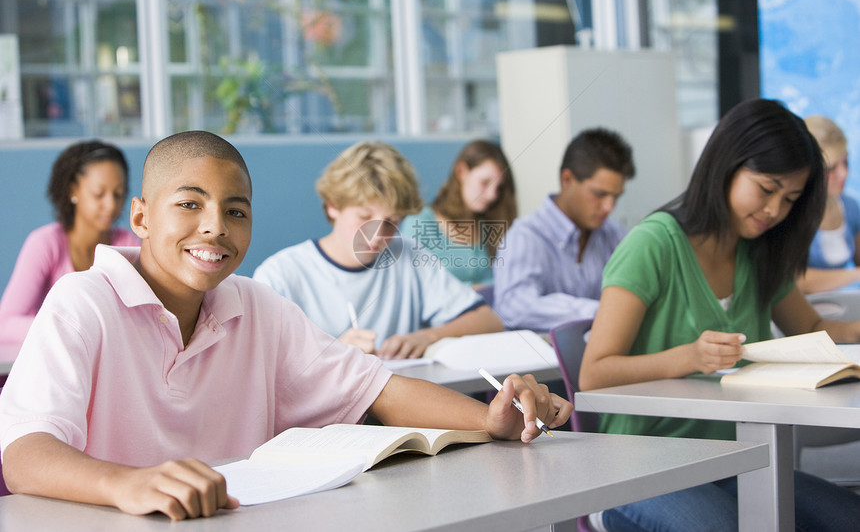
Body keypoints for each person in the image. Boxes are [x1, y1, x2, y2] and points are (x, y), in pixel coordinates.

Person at [0, 131, 572, 521]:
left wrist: (488, 417)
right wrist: (126, 484)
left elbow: (382, 391)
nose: (215, 227)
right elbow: (24, 455)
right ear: (142, 216)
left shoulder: (257, 306)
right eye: (190, 205)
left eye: (236, 210)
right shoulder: (82, 301)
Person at [579, 99, 860, 532]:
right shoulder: (653, 245)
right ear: (726, 165)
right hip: (638, 462)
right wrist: (688, 358)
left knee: (847, 517)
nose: (774, 211)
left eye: (790, 199)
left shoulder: (761, 249)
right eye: (766, 190)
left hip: (734, 456)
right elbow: (593, 374)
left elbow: (813, 330)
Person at [253, 140, 505, 360]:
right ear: (333, 206)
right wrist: (330, 351)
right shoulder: (281, 274)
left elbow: (489, 321)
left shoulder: (408, 254)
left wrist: (428, 336)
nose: (377, 236)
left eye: (392, 221)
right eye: (364, 216)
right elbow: (257, 360)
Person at [0, 140, 139, 349]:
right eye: (98, 194)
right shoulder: (46, 243)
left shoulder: (127, 244)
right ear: (73, 190)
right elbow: (6, 323)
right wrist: (74, 329)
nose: (111, 204)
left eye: (118, 194)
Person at [493, 128, 635, 331]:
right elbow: (513, 307)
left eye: (616, 197)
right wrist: (603, 312)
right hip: (546, 359)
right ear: (567, 180)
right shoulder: (526, 235)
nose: (608, 207)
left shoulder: (615, 235)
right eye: (600, 194)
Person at [402, 140, 516, 288]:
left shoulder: (488, 224)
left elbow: (507, 279)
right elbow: (415, 286)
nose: (492, 195)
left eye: (498, 187)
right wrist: (475, 290)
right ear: (461, 172)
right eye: (485, 182)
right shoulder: (419, 222)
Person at [796, 115, 860, 293]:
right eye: (831, 168)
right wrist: (855, 276)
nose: (843, 173)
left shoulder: (850, 207)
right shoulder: (789, 214)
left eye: (845, 162)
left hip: (841, 309)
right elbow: (791, 281)